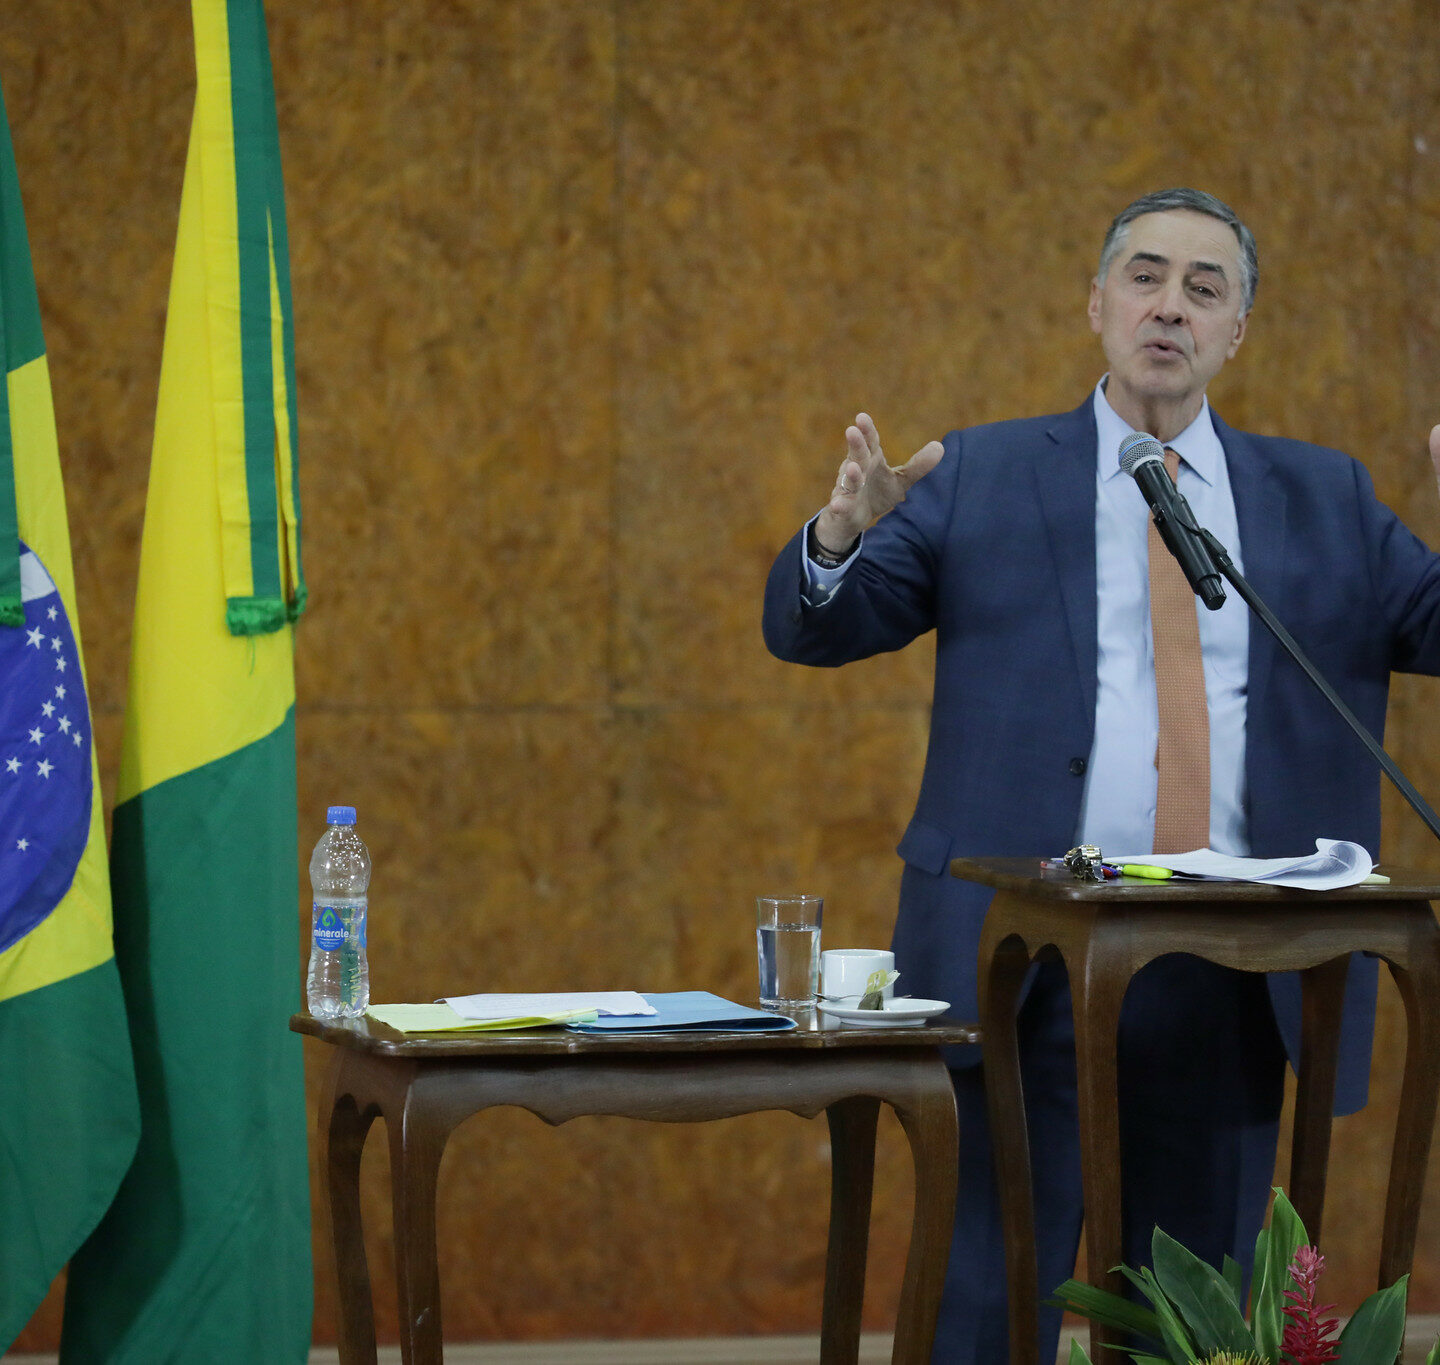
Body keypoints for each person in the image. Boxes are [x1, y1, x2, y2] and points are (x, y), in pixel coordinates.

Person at [762, 186, 1440, 1365]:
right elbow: (816, 629)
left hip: (1235, 972)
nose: (1168, 306)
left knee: (1199, 1316)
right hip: (1022, 961)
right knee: (986, 1303)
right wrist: (837, 539)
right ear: (1096, 304)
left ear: (1237, 331)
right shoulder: (979, 475)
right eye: (1144, 276)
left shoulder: (1323, 498)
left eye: (1203, 286)